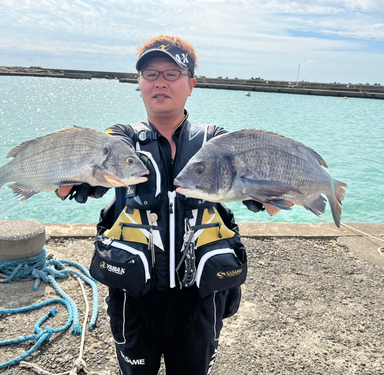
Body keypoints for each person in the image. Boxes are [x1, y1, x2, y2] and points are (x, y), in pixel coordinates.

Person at [56, 35, 254, 375]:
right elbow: (87, 174)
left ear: (191, 84)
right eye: (150, 74)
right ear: (139, 83)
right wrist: (63, 175)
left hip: (200, 298)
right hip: (135, 297)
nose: (160, 82)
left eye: (172, 73)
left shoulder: (216, 140)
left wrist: (278, 193)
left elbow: (254, 191)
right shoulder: (121, 138)